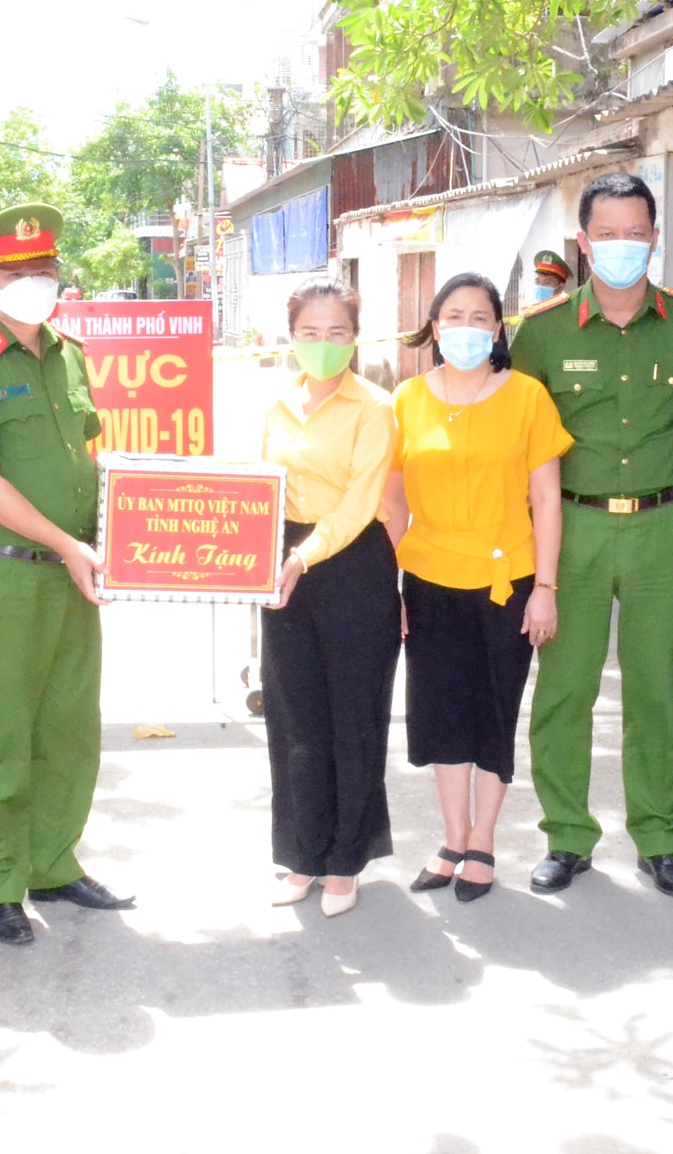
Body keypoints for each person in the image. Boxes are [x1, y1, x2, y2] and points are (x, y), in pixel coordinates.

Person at [510, 172, 673, 898]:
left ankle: (660, 837)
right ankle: (568, 836)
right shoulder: (543, 330)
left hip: (662, 528)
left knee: (659, 689)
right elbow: (522, 444)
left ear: (653, 237)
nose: (620, 246)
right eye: (605, 234)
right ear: (583, 243)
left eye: (633, 233)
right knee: (564, 689)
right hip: (571, 529)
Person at [0, 203, 133, 946]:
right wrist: (65, 542)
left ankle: (52, 863)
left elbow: (87, 456)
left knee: (69, 731)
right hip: (7, 580)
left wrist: (139, 516)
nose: (34, 283)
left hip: (74, 577)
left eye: (45, 271)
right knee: (2, 738)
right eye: (16, 273)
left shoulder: (70, 352)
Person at [385, 273, 570, 901]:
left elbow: (546, 498)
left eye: (480, 317)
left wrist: (545, 586)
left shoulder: (527, 397)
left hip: (507, 581)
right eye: (454, 317)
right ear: (435, 328)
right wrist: (391, 589)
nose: (467, 328)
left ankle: (485, 840)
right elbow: (393, 505)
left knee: (494, 712)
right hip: (430, 582)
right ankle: (453, 836)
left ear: (497, 328)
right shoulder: (406, 400)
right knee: (442, 714)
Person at [259, 277, 401, 919]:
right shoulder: (276, 404)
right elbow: (255, 487)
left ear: (355, 336)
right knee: (293, 715)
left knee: (353, 716)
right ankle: (301, 854)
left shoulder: (375, 407)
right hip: (281, 565)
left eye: (336, 333)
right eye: (311, 334)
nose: (323, 344)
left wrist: (301, 556)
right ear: (293, 339)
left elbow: (359, 504)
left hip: (350, 565)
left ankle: (345, 860)